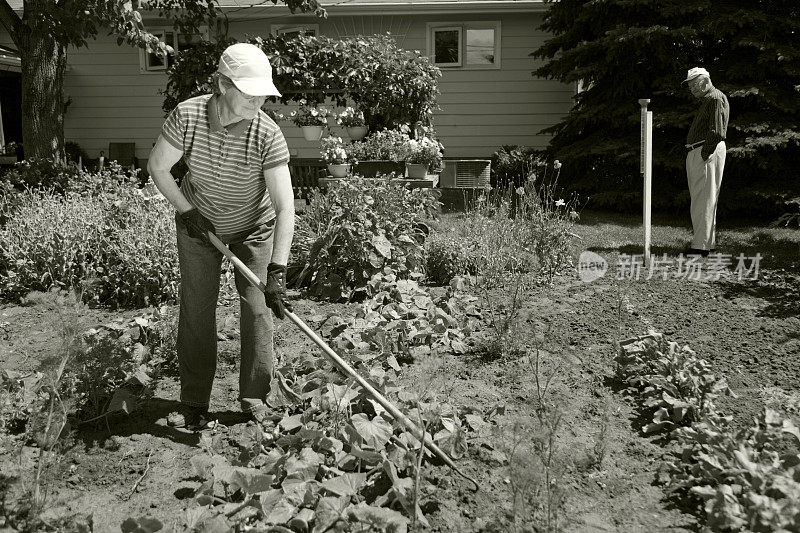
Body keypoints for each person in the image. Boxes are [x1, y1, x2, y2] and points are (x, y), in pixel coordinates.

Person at [147, 42, 295, 431]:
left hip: (254, 226)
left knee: (257, 306)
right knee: (197, 310)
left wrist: (277, 270)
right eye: (250, 93)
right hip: (199, 226)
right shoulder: (189, 115)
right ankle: (195, 401)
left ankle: (255, 397)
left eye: (263, 93)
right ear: (222, 84)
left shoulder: (267, 132)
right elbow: (159, 167)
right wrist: (188, 211)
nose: (259, 101)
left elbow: (284, 207)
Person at [682, 67, 730, 257]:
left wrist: (704, 153)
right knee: (705, 198)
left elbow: (717, 131)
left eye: (694, 84)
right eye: (690, 85)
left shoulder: (714, 98)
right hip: (704, 150)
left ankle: (700, 247)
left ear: (705, 81)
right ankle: (706, 244)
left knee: (703, 199)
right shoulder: (710, 99)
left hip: (706, 151)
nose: (691, 89)